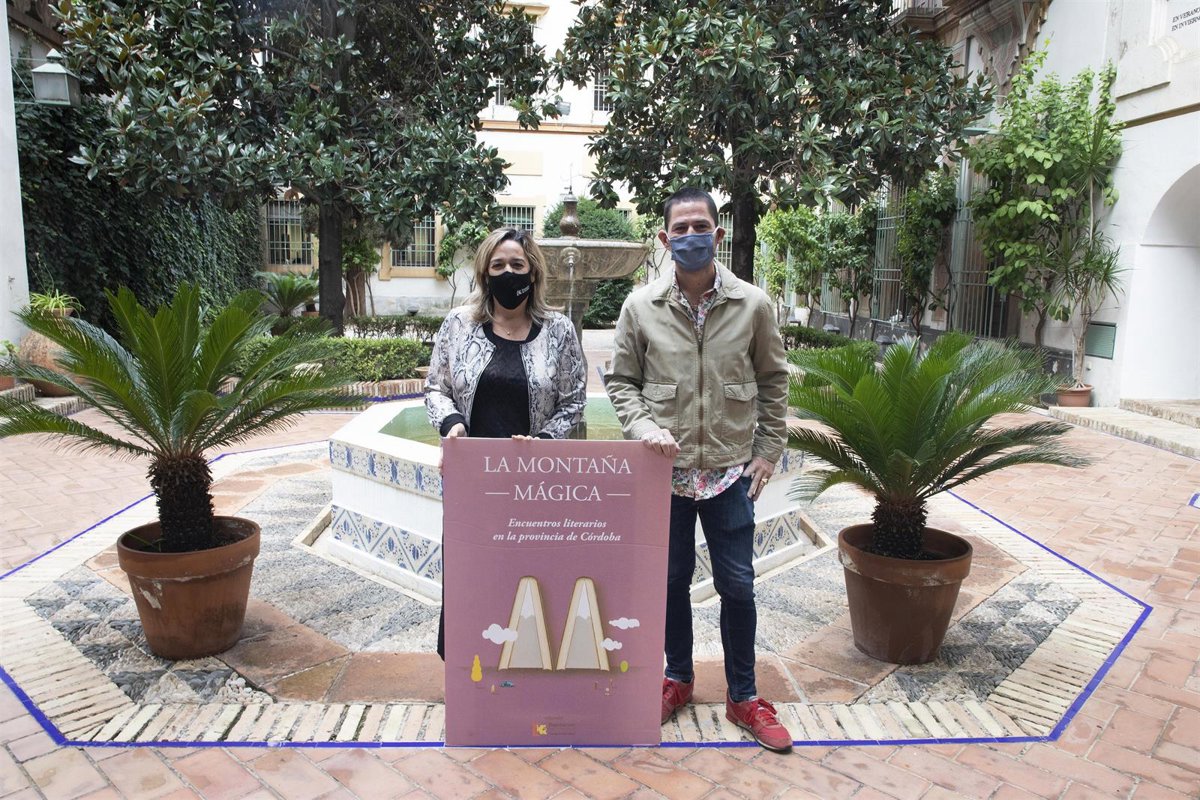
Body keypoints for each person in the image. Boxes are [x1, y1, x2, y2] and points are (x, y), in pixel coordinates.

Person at [605, 188, 792, 752]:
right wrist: (644, 428)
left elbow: (773, 379)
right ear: (665, 239)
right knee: (669, 582)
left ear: (718, 233)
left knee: (738, 585)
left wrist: (768, 448)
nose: (691, 236)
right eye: (680, 228)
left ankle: (744, 696)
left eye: (700, 226)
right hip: (667, 473)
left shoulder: (752, 304)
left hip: (731, 471)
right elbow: (621, 382)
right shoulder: (640, 307)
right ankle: (678, 679)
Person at [425, 227, 587, 658]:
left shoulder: (558, 330)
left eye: (517, 264)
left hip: (536, 486)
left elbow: (574, 400)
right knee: (470, 577)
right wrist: (452, 424)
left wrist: (544, 441)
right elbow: (436, 388)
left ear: (533, 272)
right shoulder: (459, 325)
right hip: (473, 484)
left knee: (530, 579)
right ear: (484, 272)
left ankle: (529, 670)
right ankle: (467, 671)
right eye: (497, 265)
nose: (508, 273)